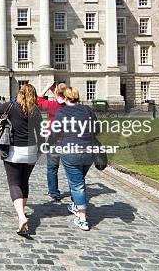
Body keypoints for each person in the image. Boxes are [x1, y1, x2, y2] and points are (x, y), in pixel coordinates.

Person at [0, 84, 42, 237]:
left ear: (19, 94)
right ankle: (22, 212)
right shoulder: (36, 111)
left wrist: (1, 105)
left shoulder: (11, 106)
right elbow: (41, 133)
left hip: (14, 150)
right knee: (24, 181)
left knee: (14, 183)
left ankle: (21, 216)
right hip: (31, 149)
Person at [54, 87, 99, 231]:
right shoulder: (87, 110)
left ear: (65, 98)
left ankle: (82, 218)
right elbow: (97, 129)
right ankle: (75, 204)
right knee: (78, 180)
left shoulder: (61, 112)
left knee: (78, 184)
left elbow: (56, 132)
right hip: (89, 151)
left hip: (71, 151)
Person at [38, 81, 67, 202]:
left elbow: (38, 100)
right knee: (71, 168)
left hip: (54, 139)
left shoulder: (51, 105)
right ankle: (76, 190)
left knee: (52, 167)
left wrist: (46, 87)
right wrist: (56, 91)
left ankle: (54, 192)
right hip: (69, 139)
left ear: (56, 94)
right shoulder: (71, 105)